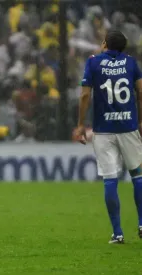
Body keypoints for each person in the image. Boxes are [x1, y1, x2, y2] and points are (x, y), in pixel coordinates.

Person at [75, 30, 142, 244]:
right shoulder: (131, 63)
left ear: (104, 44)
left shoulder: (93, 62)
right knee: (138, 175)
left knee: (110, 178)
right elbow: (141, 91)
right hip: (128, 127)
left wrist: (80, 125)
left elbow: (85, 94)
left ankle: (118, 232)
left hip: (103, 130)